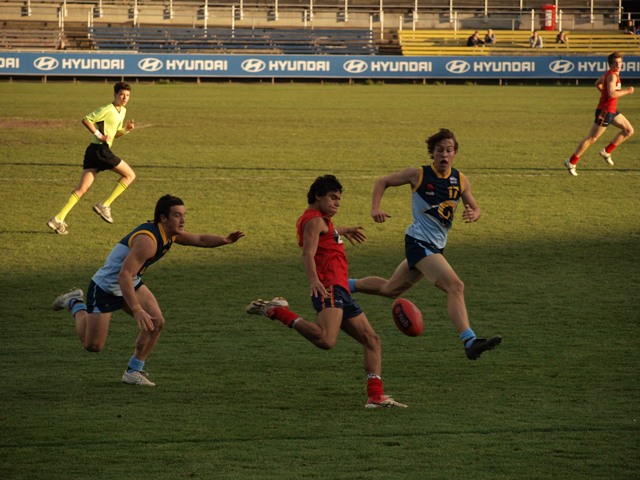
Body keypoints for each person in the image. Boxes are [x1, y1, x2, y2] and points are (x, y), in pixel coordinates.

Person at [246, 175, 407, 409]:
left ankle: (375, 396)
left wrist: (341, 231)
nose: (337, 203)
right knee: (326, 340)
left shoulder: (320, 221)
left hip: (341, 289)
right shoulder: (313, 221)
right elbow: (308, 253)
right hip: (329, 287)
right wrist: (314, 280)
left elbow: (325, 233)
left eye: (338, 199)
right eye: (332, 197)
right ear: (318, 196)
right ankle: (277, 311)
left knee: (371, 339)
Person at [51, 194, 245, 386]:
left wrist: (225, 240)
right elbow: (123, 276)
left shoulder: (169, 233)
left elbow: (200, 239)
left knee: (156, 323)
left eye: (184, 215)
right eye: (177, 215)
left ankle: (133, 371)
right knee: (93, 345)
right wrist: (137, 310)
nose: (183, 220)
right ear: (163, 218)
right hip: (106, 287)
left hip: (131, 282)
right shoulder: (148, 241)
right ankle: (74, 303)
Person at [348, 129, 501, 361]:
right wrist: (375, 207)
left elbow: (475, 205)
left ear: (454, 153)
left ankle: (344, 284)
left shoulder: (460, 180)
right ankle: (469, 340)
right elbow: (383, 181)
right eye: (440, 150)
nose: (444, 154)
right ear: (432, 152)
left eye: (449, 150)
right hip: (419, 243)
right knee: (455, 286)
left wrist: (474, 213)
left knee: (390, 289)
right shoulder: (418, 175)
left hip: (435, 247)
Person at [47, 81, 136, 235]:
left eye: (127, 95)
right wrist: (99, 135)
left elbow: (115, 134)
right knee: (130, 175)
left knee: (82, 189)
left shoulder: (122, 111)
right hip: (100, 150)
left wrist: (126, 130)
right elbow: (87, 120)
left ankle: (58, 219)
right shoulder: (107, 109)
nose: (124, 98)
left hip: (93, 151)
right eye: (122, 94)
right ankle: (105, 205)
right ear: (115, 94)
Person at [564, 51, 635, 176]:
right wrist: (627, 91)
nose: (619, 65)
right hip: (605, 112)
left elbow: (597, 83)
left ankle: (606, 151)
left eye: (620, 62)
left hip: (612, 110)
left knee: (629, 130)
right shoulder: (612, 76)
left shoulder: (611, 74)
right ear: (610, 64)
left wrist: (604, 94)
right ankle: (571, 162)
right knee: (592, 138)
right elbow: (612, 94)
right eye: (616, 63)